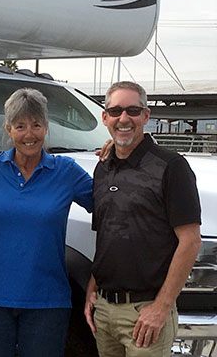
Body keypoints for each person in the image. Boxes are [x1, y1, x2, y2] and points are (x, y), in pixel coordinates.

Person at [0, 88, 93, 357]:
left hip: (47, 302)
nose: (29, 134)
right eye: (20, 126)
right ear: (8, 129)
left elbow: (111, 206)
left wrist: (114, 157)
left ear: (46, 127)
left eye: (36, 125)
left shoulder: (66, 171)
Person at [84, 81, 201, 355]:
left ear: (146, 116)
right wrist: (93, 290)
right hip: (104, 311)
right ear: (105, 118)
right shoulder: (102, 169)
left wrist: (161, 307)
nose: (123, 118)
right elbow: (107, 236)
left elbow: (191, 242)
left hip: (146, 313)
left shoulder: (172, 167)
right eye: (115, 111)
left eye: (132, 110)